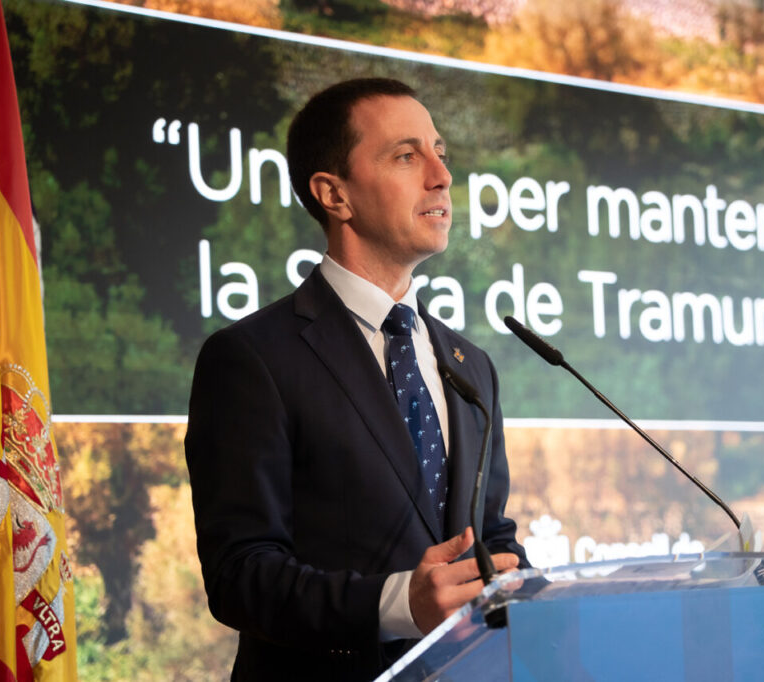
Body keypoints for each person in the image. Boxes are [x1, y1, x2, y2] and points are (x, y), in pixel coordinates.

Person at [184, 78, 527, 680]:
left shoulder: (470, 365)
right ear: (334, 195)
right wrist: (400, 605)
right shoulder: (251, 358)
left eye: (440, 152)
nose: (441, 176)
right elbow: (241, 573)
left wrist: (519, 583)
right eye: (405, 155)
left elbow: (490, 534)